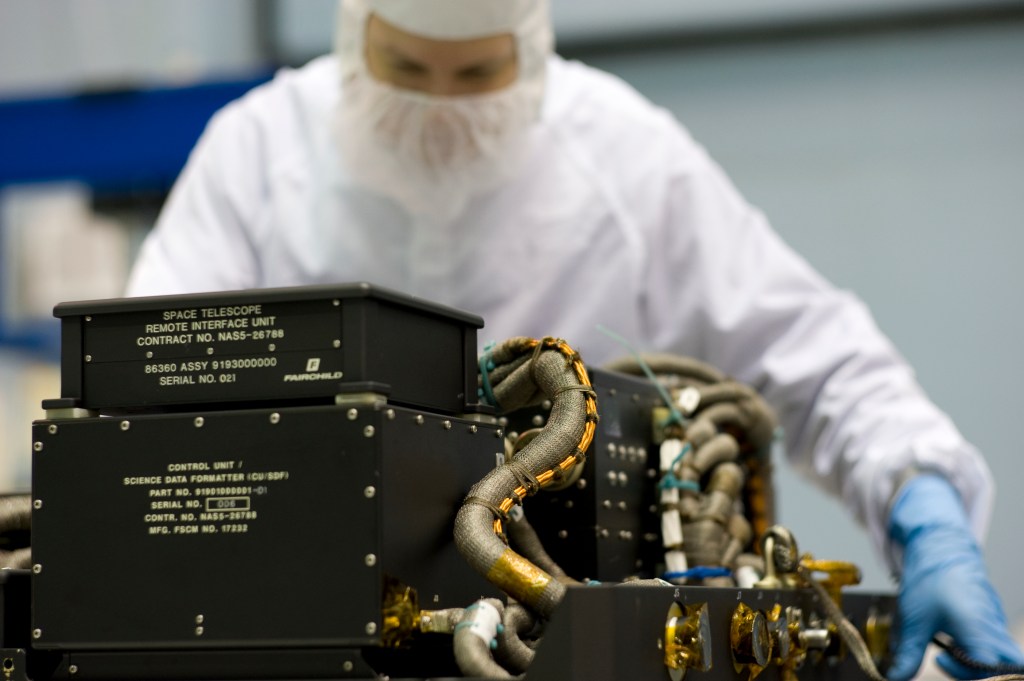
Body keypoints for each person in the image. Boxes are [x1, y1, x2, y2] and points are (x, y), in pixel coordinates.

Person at [125, 0, 1024, 678]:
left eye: (477, 77)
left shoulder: (626, 156)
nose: (441, 110)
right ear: (353, 33)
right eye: (405, 67)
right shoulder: (256, 155)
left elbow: (823, 364)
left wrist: (925, 506)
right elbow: (132, 390)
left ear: (532, 46)